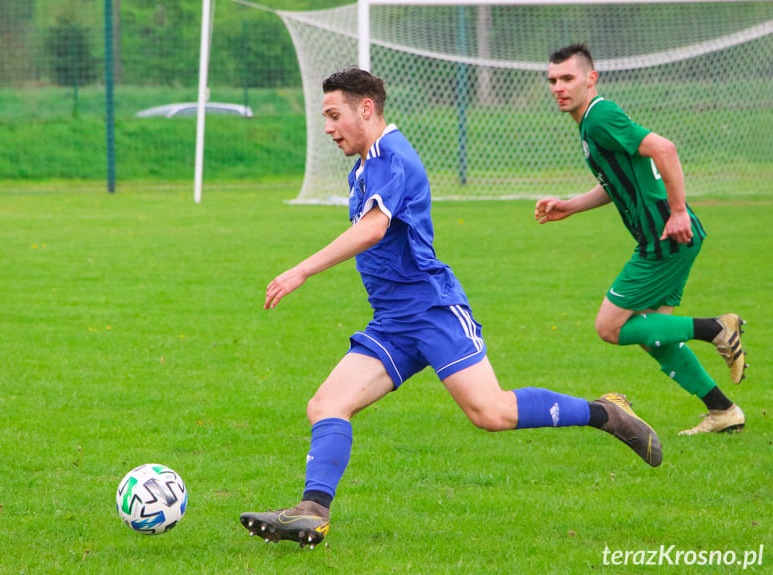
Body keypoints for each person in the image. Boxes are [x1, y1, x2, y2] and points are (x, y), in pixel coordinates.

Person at [240, 67, 662, 550]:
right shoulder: (364, 165)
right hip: (394, 322)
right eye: (325, 118)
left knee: (492, 412)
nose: (330, 128)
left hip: (433, 310)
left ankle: (603, 413)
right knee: (327, 404)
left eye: (335, 116)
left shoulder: (390, 154)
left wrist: (302, 270)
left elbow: (374, 228)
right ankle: (311, 512)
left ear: (366, 109)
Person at [535, 44, 747, 437]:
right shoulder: (589, 123)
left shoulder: (600, 117)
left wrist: (679, 210)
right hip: (669, 236)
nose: (558, 87)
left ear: (590, 79)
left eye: (567, 78)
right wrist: (571, 205)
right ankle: (722, 410)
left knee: (610, 327)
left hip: (664, 236)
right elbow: (616, 183)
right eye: (552, 80)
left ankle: (716, 328)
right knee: (654, 335)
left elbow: (664, 148)